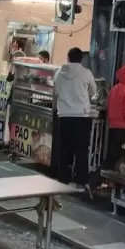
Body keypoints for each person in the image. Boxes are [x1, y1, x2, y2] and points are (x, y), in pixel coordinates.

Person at [53, 47, 97, 192]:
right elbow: (93, 91)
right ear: (82, 59)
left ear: (68, 57)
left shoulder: (59, 73)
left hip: (64, 115)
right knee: (81, 150)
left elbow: (57, 91)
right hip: (81, 116)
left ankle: (63, 180)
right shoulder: (86, 73)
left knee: (64, 149)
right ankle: (80, 182)